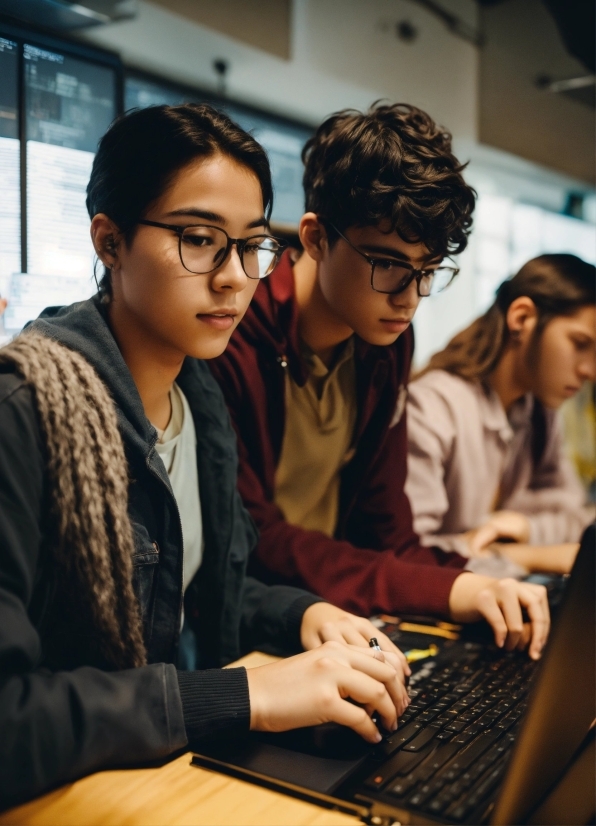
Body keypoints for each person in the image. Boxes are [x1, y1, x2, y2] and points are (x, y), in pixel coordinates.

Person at [0, 104, 413, 810]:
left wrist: (303, 615)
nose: (233, 279)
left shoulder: (199, 402)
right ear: (110, 241)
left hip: (172, 776)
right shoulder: (28, 411)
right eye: (198, 240)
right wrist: (244, 692)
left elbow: (206, 595)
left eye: (250, 245)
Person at [209, 103, 550, 659]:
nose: (409, 298)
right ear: (317, 238)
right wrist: (452, 588)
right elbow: (256, 538)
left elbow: (386, 531)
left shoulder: (385, 343)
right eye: (388, 264)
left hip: (341, 624)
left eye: (427, 272)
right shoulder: (234, 334)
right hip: (250, 632)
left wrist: (482, 583)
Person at [406, 254, 595, 574]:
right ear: (521, 318)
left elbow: (582, 518)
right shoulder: (433, 409)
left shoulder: (537, 411)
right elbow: (407, 555)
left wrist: (524, 527)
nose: (590, 370)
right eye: (580, 344)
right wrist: (530, 556)